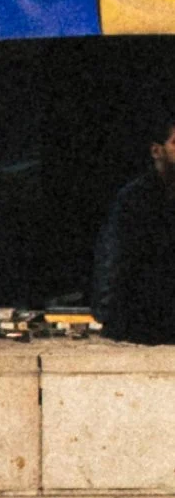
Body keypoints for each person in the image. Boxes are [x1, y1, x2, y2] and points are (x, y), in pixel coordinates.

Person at [94, 106, 175, 343]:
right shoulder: (135, 198)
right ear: (156, 150)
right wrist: (108, 315)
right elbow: (114, 257)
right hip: (143, 321)